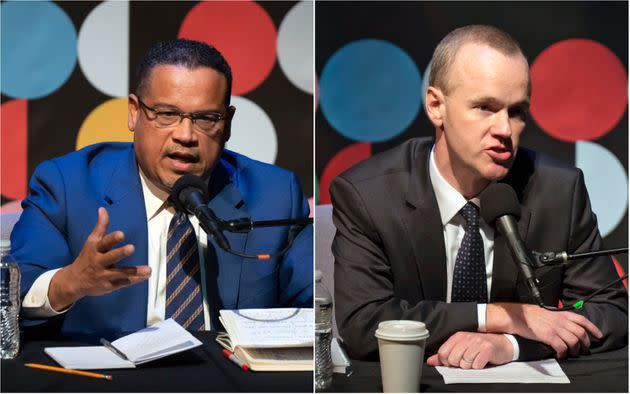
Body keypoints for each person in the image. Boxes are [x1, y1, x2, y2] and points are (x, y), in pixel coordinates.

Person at [330, 25, 627, 369]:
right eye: (485, 107)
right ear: (436, 106)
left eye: (516, 112)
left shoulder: (559, 190)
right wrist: (501, 316)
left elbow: (611, 313)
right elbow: (364, 325)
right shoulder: (368, 194)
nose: (504, 130)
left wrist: (511, 345)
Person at [12, 39, 313, 341]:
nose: (185, 135)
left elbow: (315, 309)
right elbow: (16, 293)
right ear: (134, 112)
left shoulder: (276, 196)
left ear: (228, 123)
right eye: (167, 114)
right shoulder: (67, 185)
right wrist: (69, 283)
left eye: (207, 118)